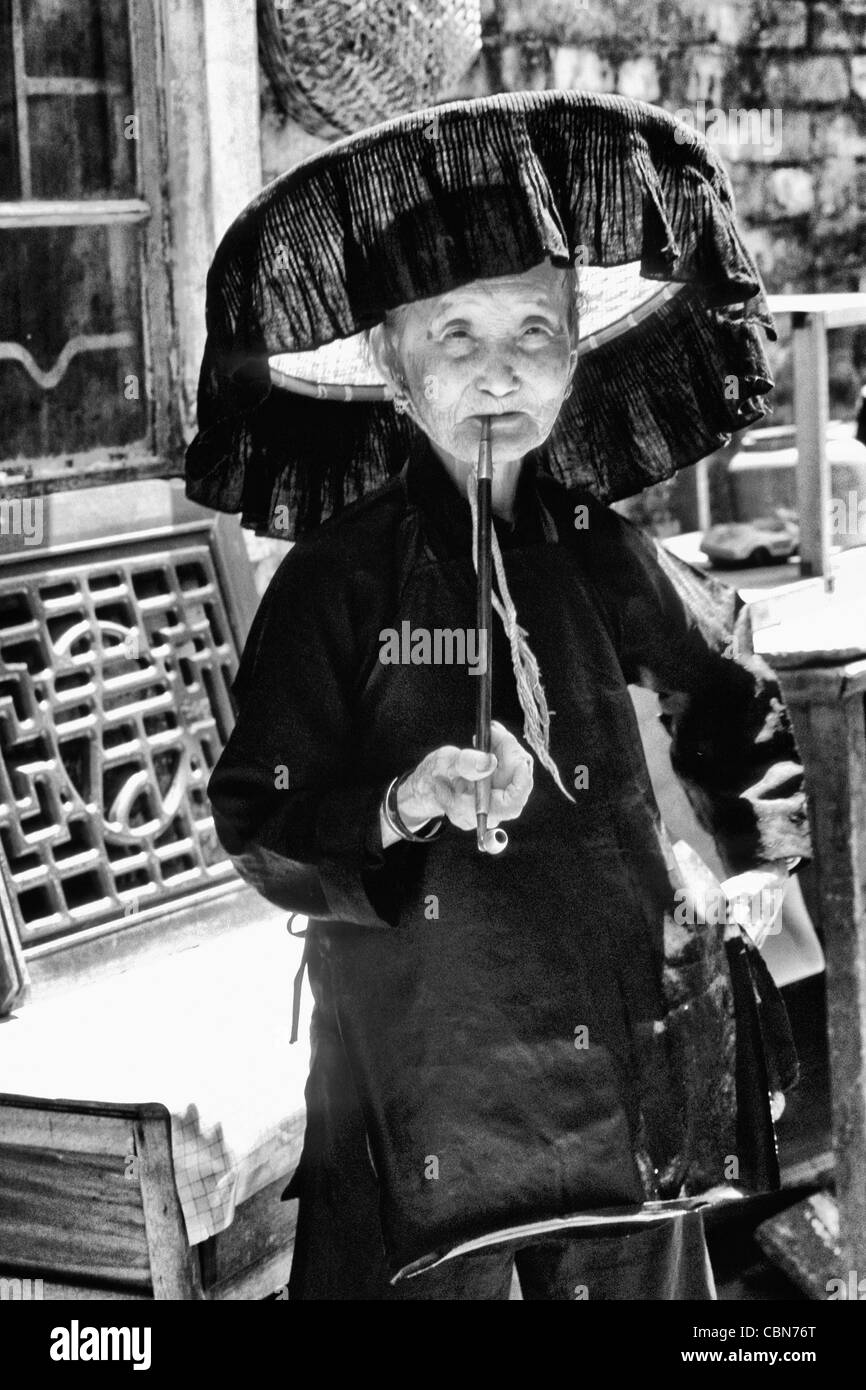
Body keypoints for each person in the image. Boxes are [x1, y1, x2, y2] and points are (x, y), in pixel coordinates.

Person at [207, 256, 811, 1300]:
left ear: (570, 363)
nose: (499, 371)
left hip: (616, 1031)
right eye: (455, 337)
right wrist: (404, 802)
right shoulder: (336, 577)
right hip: (424, 1049)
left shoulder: (592, 544)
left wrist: (754, 867)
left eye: (533, 333)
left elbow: (722, 674)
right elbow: (260, 819)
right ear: (394, 370)